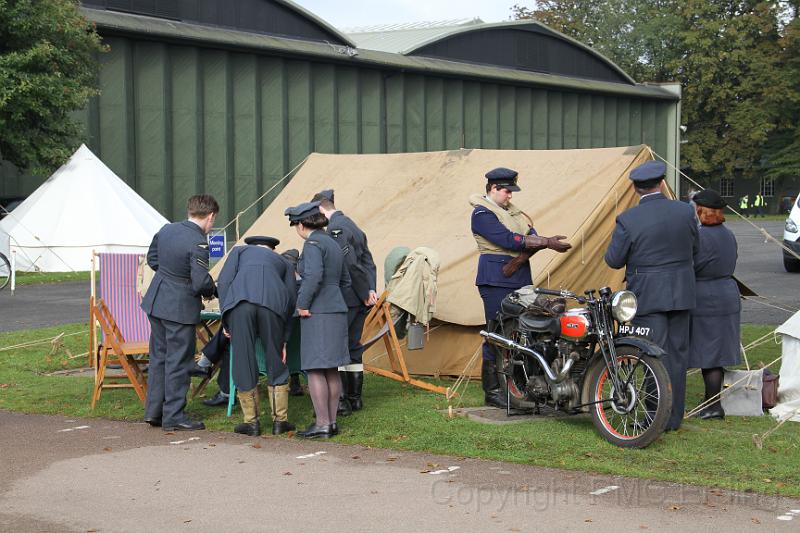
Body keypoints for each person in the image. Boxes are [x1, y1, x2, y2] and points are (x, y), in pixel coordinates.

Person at [604, 160, 699, 431]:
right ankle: (673, 418)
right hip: (681, 292)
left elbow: (613, 259)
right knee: (677, 356)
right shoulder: (684, 212)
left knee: (649, 354)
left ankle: (655, 416)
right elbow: (696, 248)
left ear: (635, 188)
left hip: (648, 295)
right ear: (661, 183)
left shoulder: (629, 219)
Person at [470, 167, 572, 408]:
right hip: (495, 280)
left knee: (523, 331)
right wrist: (543, 242)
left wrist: (540, 241)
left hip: (519, 278)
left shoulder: (515, 214)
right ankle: (493, 390)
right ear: (493, 189)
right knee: (496, 334)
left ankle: (522, 386)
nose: (510, 196)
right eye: (506, 191)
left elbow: (529, 234)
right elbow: (507, 239)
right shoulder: (482, 214)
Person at [141, 194, 219, 431]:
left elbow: (152, 259)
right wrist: (211, 289)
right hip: (179, 307)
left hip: (157, 301)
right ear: (210, 216)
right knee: (179, 361)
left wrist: (170, 275)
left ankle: (154, 412)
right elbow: (200, 282)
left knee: (159, 358)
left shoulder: (166, 230)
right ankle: (173, 415)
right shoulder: (198, 242)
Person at [216, 235, 298, 436]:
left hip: (240, 306)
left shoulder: (238, 252)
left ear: (252, 246)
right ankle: (280, 421)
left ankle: (251, 422)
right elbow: (291, 299)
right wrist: (284, 339)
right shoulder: (283, 262)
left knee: (243, 360)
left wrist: (226, 319)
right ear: (272, 249)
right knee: (275, 359)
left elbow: (224, 283)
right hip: (273, 307)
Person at [285, 201, 351, 438]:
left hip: (317, 312)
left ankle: (322, 423)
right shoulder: (333, 244)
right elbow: (346, 281)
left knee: (314, 369)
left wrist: (302, 304)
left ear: (301, 224)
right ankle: (331, 422)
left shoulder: (312, 244)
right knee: (331, 369)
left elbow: (312, 277)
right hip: (336, 308)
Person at [312, 189, 377, 415]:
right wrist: (370, 289)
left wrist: (363, 292)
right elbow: (369, 262)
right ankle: (354, 398)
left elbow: (349, 263)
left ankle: (341, 401)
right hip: (359, 296)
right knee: (353, 346)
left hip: (348, 297)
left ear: (321, 209)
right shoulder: (354, 226)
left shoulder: (335, 229)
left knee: (339, 346)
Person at [688, 189, 741, 420]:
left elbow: (692, 265)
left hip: (707, 297)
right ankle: (711, 400)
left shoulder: (701, 237)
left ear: (701, 210)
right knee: (716, 353)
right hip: (727, 293)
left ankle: (713, 405)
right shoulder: (728, 234)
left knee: (708, 354)